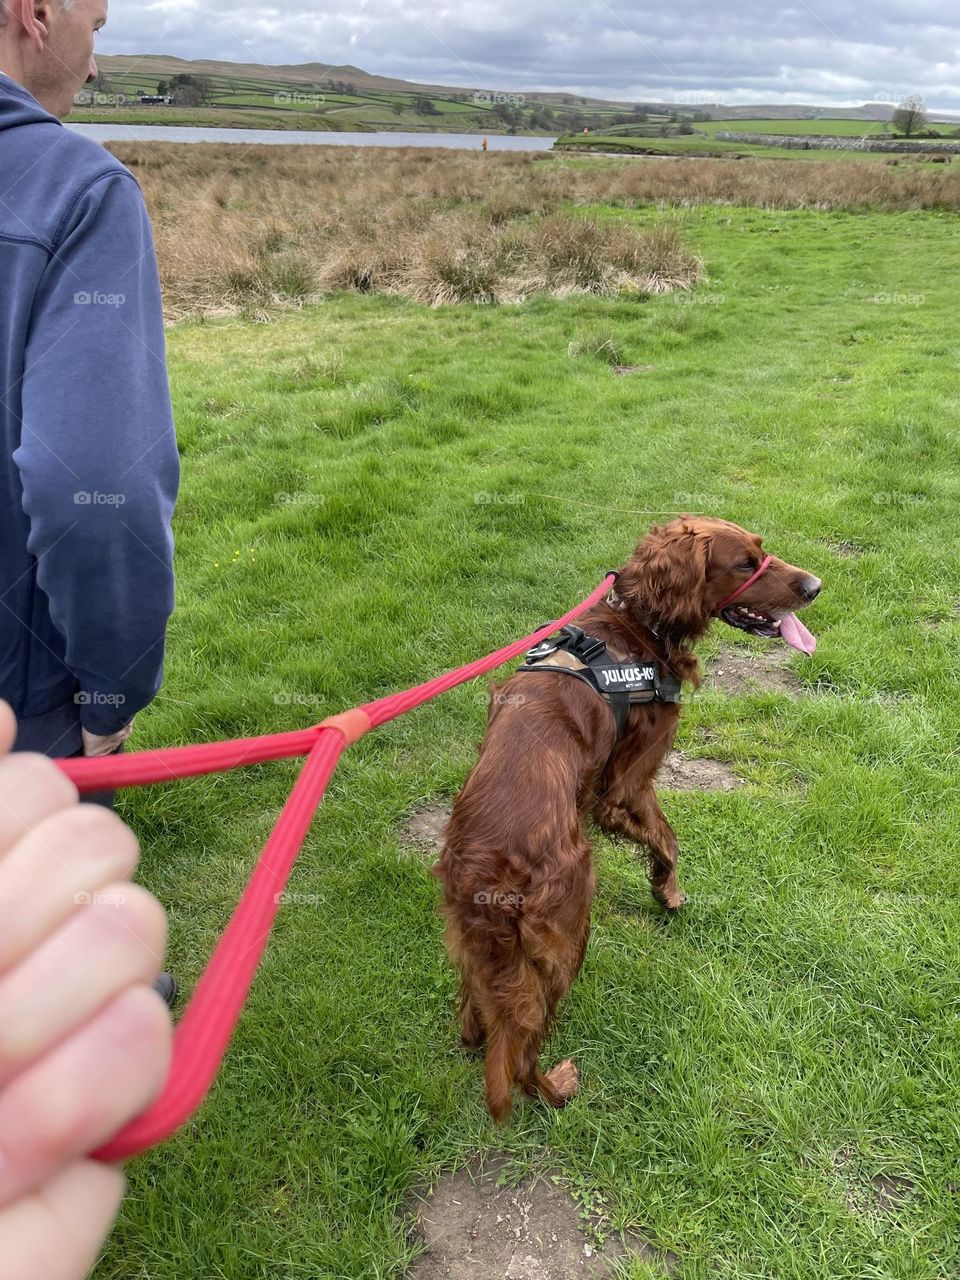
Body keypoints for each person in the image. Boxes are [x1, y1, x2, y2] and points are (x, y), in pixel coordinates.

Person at [0, 0, 179, 998]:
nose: (97, 58)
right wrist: (108, 696)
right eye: (96, 22)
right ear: (36, 13)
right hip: (21, 710)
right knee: (81, 993)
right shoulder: (78, 190)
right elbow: (87, 490)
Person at [0, 699, 173, 1280]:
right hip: (47, 719)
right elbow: (112, 609)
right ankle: (89, 1014)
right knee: (69, 876)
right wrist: (108, 711)